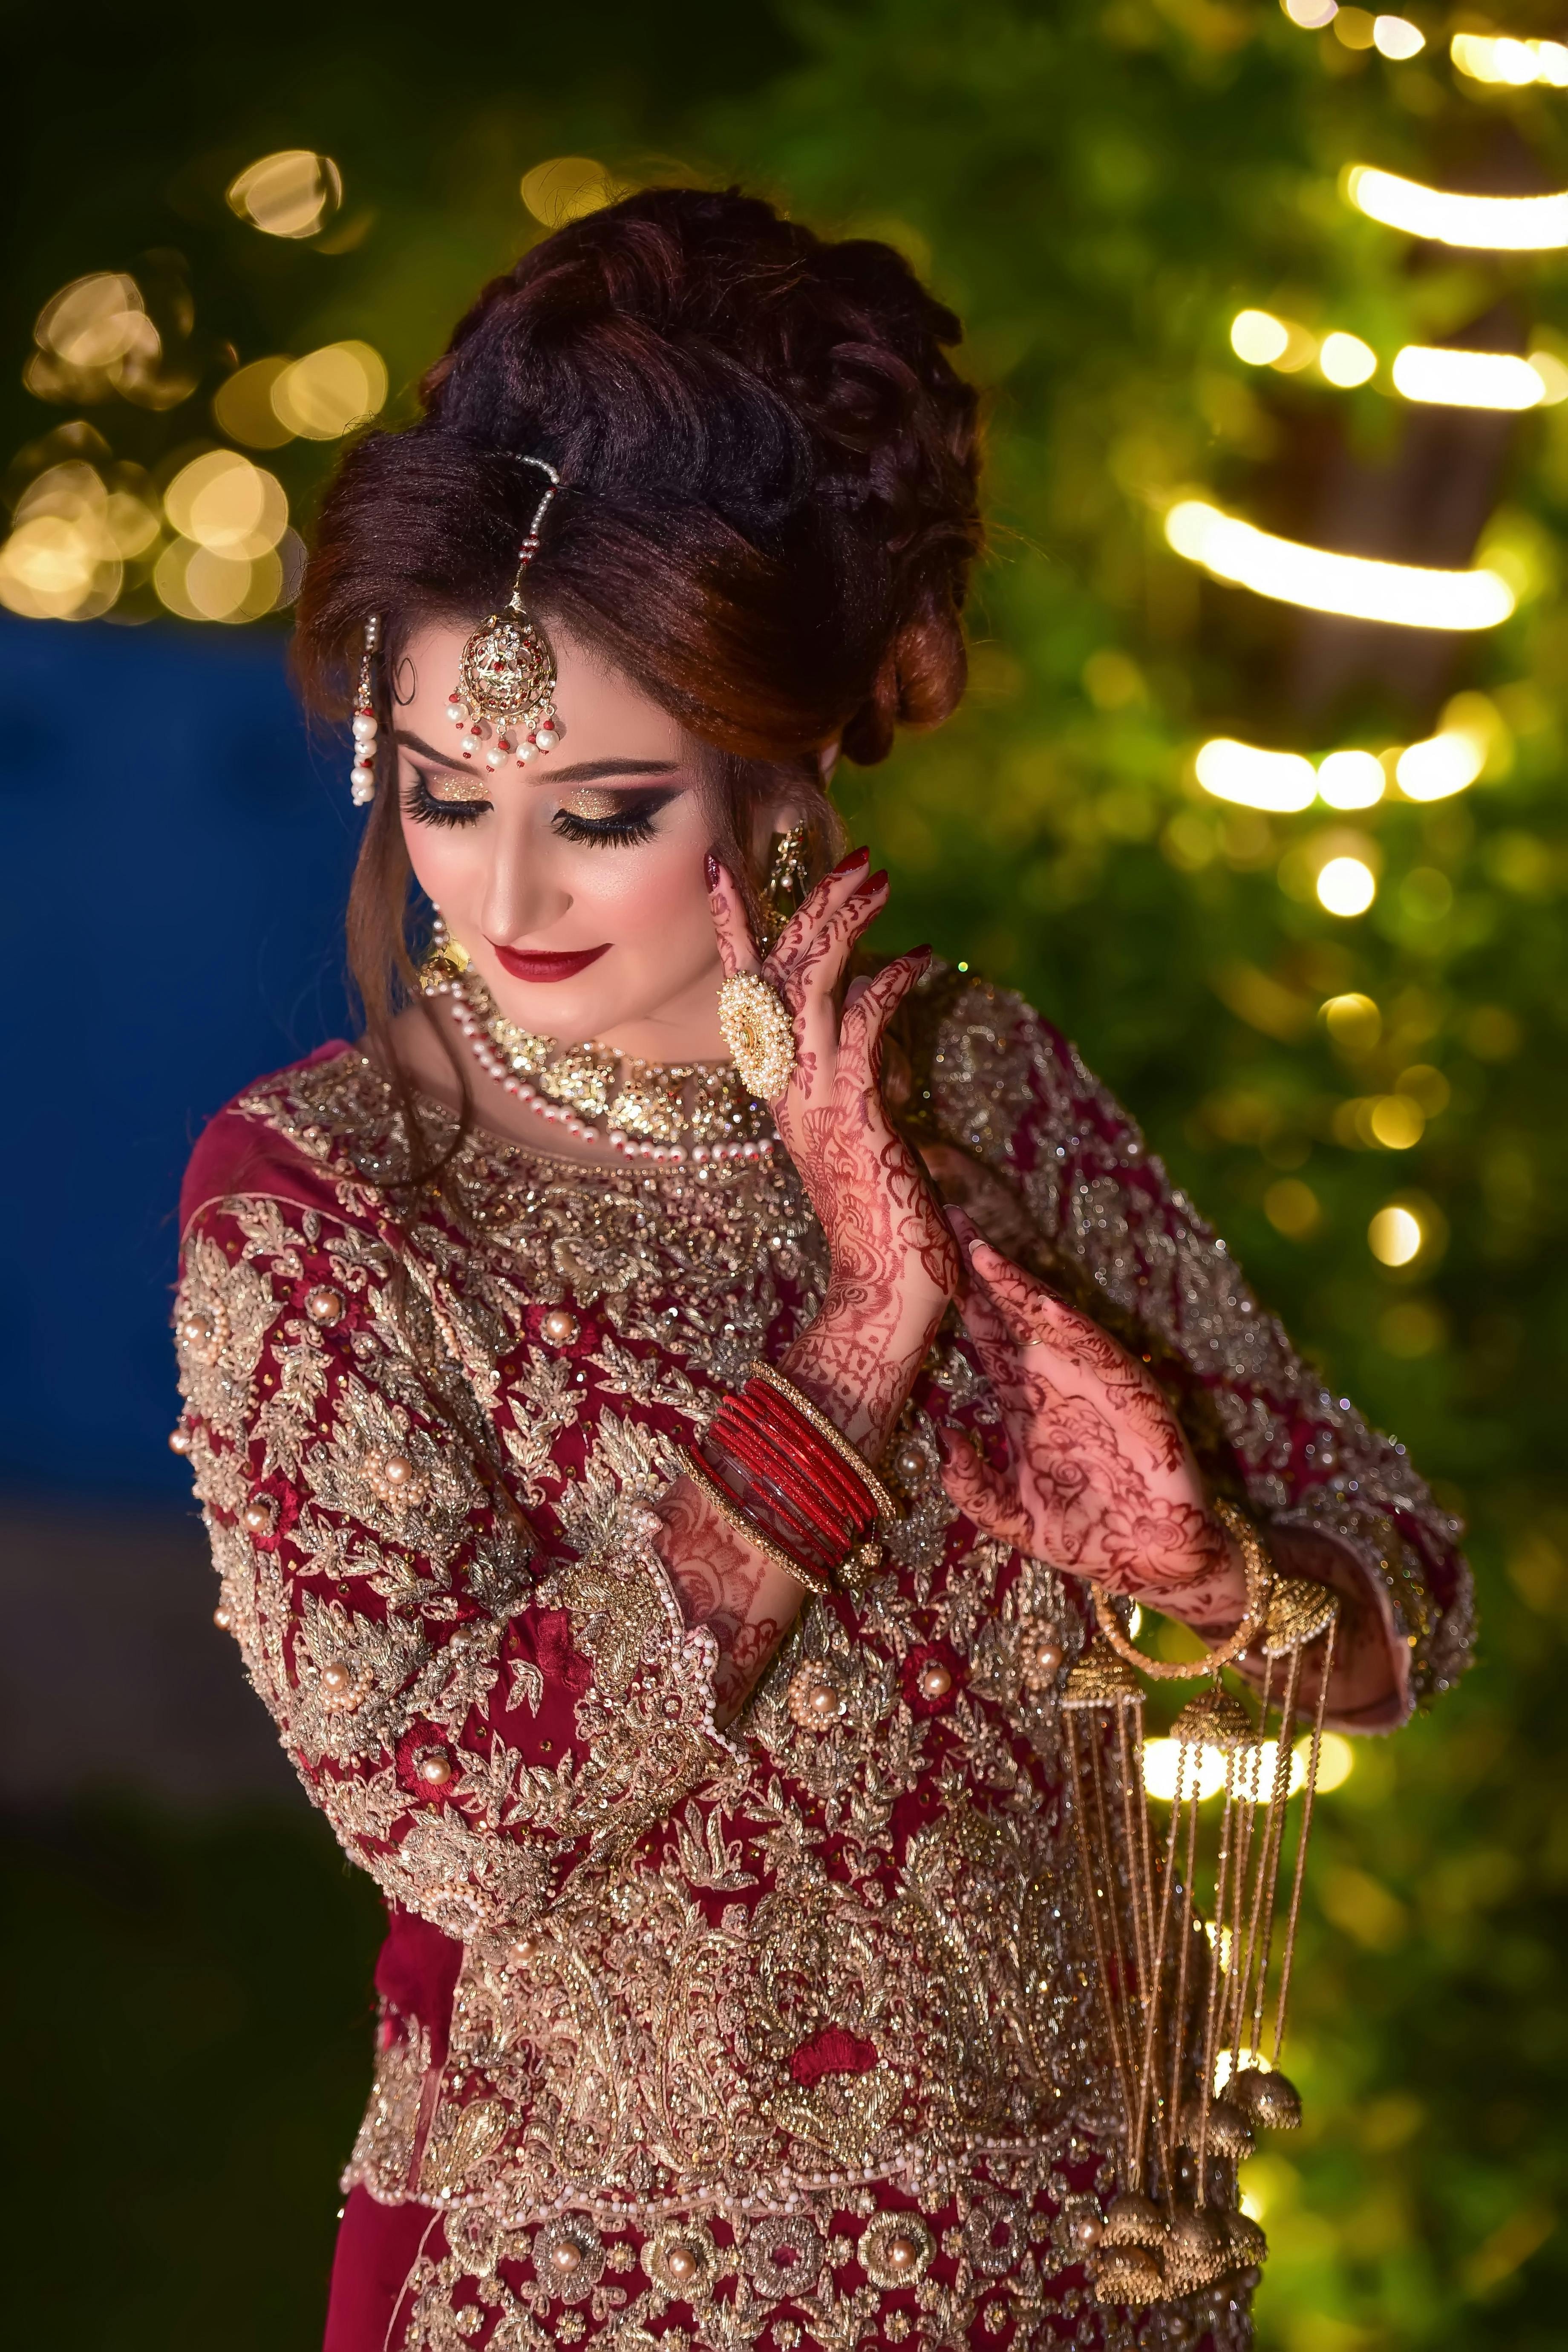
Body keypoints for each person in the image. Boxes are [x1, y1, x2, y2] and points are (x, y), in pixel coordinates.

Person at [173, 187, 1471, 2352]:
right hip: (586, 2296)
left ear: (776, 765)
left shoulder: (978, 1090)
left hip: (1085, 2283)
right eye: (431, 791)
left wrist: (1210, 1579)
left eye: (598, 807)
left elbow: (1398, 1586)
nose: (499, 888)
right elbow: (447, 1812)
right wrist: (858, 1341)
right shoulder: (325, 1205)